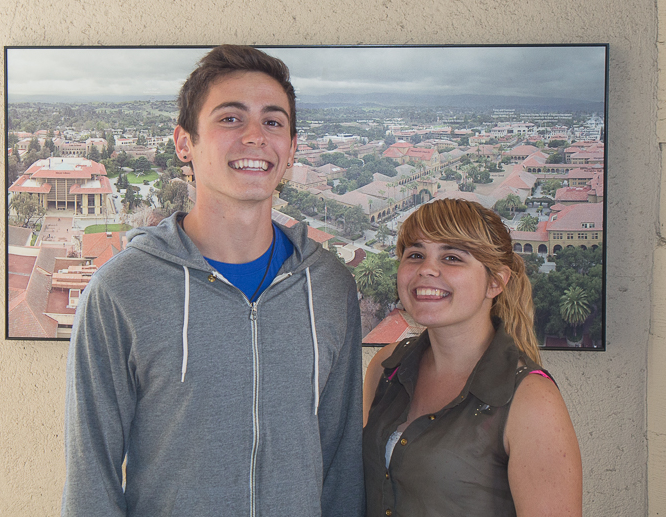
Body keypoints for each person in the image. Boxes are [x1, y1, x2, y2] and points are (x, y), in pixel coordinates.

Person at [63, 45, 364, 516]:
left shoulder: (328, 285)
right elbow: (90, 477)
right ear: (185, 143)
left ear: (292, 148)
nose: (255, 137)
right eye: (230, 118)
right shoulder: (121, 290)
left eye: (273, 121)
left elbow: (342, 459)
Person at [363, 198, 582, 516]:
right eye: (415, 254)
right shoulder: (385, 367)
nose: (426, 269)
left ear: (495, 281)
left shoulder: (532, 400)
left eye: (451, 257)